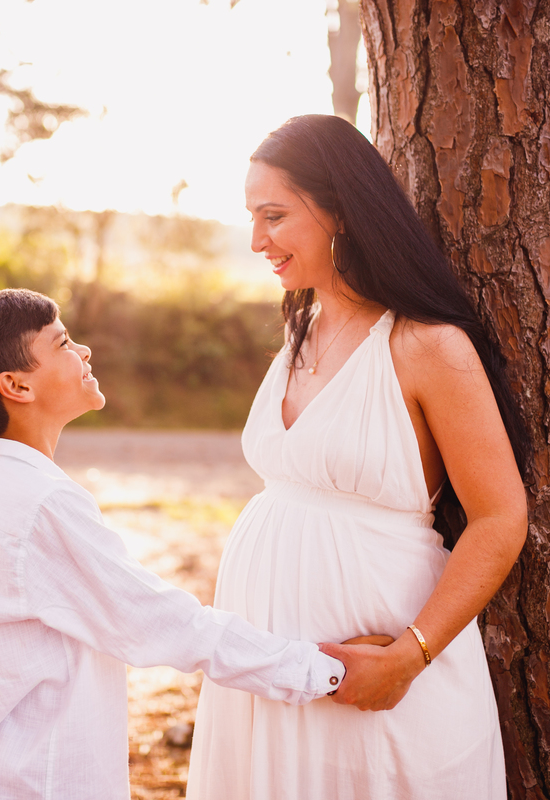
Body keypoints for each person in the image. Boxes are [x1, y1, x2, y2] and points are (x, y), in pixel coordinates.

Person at [186, 115, 530, 799]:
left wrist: (409, 656)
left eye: (274, 216)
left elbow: (500, 517)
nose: (256, 241)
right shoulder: (303, 329)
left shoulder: (427, 345)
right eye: (252, 218)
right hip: (272, 674)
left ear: (340, 210)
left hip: (384, 676)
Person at [0, 288, 351, 800]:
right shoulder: (41, 504)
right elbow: (163, 621)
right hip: (31, 779)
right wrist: (321, 671)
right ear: (17, 385)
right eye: (63, 343)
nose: (84, 351)